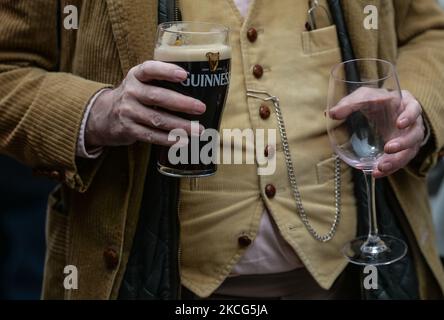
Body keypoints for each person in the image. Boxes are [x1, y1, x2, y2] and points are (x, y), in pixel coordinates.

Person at [0, 0, 443, 300]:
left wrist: (416, 109)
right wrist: (99, 111)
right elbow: (9, 68)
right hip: (152, 283)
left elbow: (429, 32)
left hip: (351, 278)